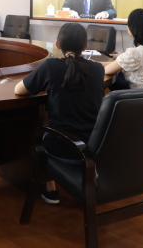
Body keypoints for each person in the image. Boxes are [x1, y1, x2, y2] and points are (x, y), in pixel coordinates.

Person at [14, 23, 105, 204]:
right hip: (92, 146)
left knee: (34, 135)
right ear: (85, 46)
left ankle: (51, 190)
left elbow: (19, 89)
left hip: (61, 147)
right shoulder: (98, 69)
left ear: (57, 44)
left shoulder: (50, 66)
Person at [104, 9, 143, 89]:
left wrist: (92, 65)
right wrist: (96, 63)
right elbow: (117, 64)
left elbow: (106, 70)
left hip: (140, 95)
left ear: (133, 28)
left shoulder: (134, 53)